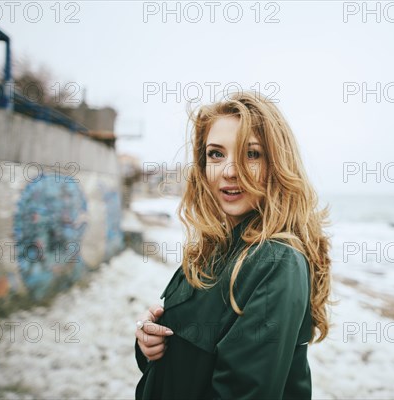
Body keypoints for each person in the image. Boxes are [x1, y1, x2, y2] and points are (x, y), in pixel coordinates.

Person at [134, 91, 332, 399]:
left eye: (251, 154)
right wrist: (149, 344)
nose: (229, 171)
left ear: (277, 164)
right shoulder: (212, 249)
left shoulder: (277, 262)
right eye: (216, 154)